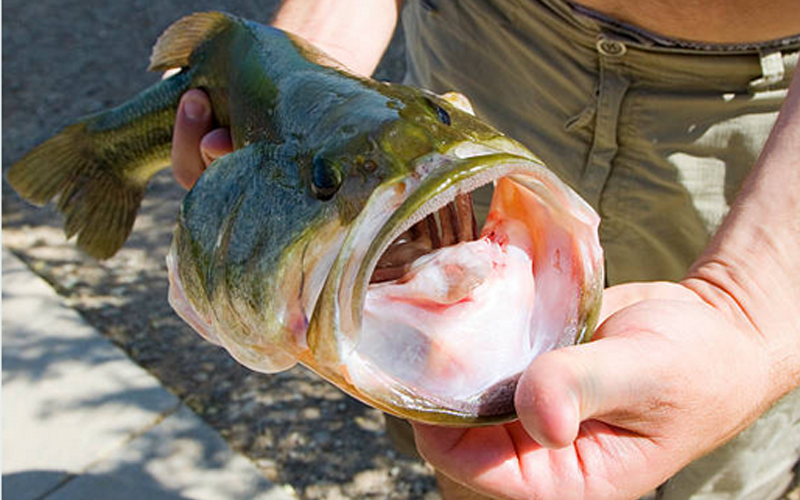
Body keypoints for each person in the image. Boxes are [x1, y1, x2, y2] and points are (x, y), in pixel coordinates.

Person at [169, 1, 800, 499]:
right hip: (481, 42)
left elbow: (746, 332)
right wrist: (290, 78)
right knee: (481, 451)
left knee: (719, 449)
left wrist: (745, 309)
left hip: (762, 117)